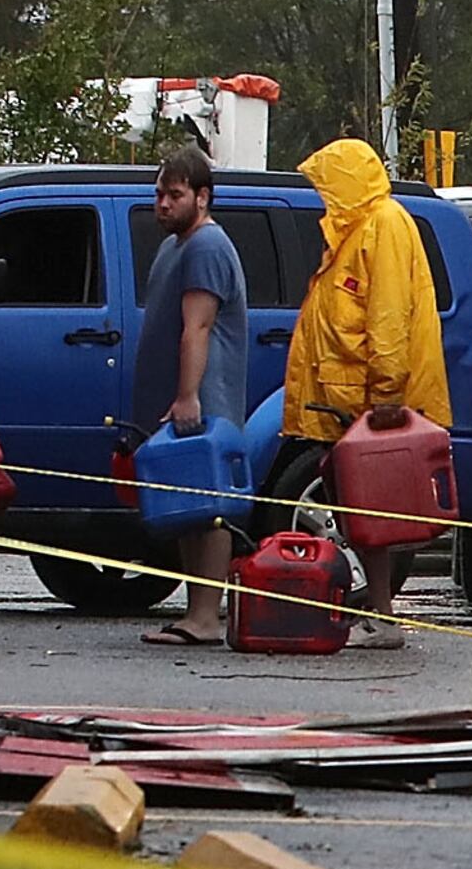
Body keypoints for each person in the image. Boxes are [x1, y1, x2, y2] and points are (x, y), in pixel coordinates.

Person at [278, 137, 452, 651]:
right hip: (349, 400)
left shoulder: (384, 225)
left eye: (327, 186)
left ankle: (384, 615)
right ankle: (378, 611)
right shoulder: (351, 233)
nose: (322, 199)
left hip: (372, 403)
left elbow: (389, 315)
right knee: (361, 513)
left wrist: (387, 393)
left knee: (375, 515)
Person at [130, 142, 251, 648]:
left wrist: (188, 396)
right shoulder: (174, 245)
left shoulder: (206, 246)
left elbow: (197, 328)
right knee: (187, 502)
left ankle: (205, 615)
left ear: (202, 197)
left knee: (209, 505)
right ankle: (194, 610)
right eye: (159, 193)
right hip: (181, 399)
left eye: (174, 195)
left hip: (205, 398)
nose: (162, 203)